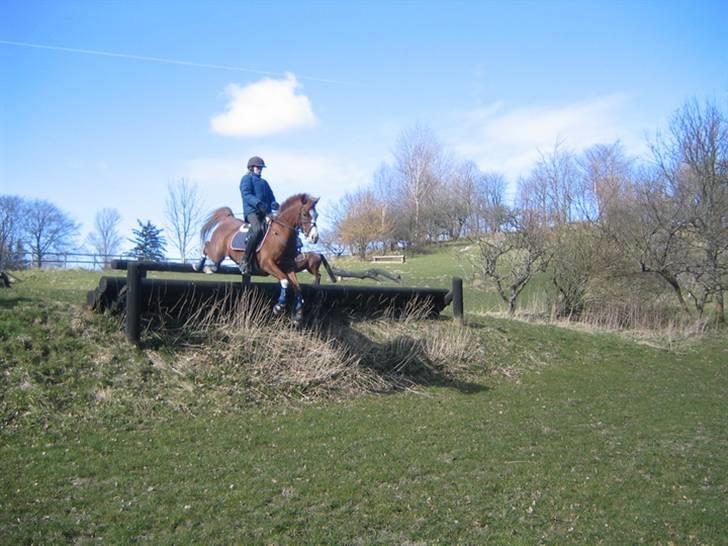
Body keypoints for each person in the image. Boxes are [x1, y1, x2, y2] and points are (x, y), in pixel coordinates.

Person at [239, 156, 279, 274]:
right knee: (257, 230)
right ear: (251, 168)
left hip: (265, 213)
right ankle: (245, 260)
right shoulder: (246, 179)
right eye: (258, 167)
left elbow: (271, 197)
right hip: (252, 212)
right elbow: (246, 194)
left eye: (261, 168)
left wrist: (274, 204)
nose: (260, 169)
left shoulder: (264, 182)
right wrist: (258, 204)